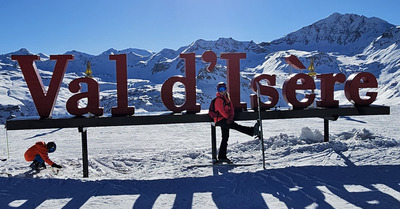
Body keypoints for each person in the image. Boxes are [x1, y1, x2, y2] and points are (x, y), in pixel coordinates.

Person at [211, 82, 260, 163]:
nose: (222, 91)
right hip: (220, 120)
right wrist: (228, 118)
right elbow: (221, 111)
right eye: (220, 89)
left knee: (225, 137)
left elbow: (231, 109)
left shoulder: (227, 98)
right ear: (217, 90)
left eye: (223, 89)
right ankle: (252, 131)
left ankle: (222, 156)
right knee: (235, 126)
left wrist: (231, 117)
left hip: (225, 119)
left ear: (226, 89)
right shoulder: (219, 100)